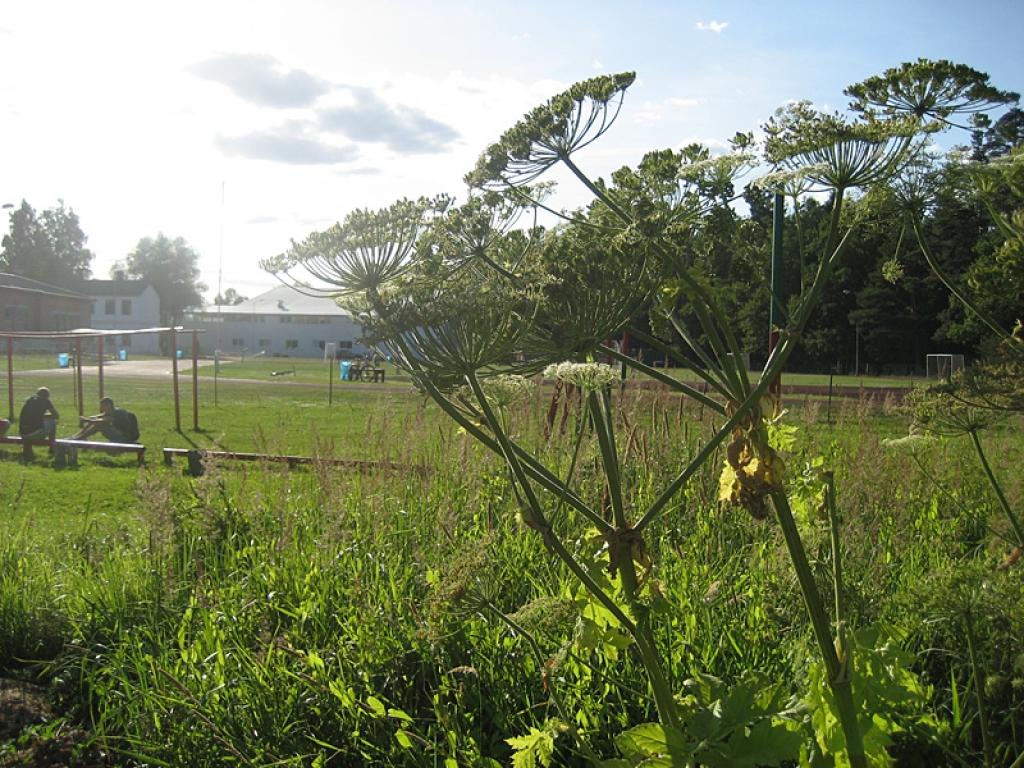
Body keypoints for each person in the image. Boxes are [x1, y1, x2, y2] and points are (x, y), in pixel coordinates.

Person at [73, 397, 140, 443]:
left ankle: (78, 439)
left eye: (103, 406)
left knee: (99, 425)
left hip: (126, 438)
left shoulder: (117, 413)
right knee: (95, 422)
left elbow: (103, 420)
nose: (101, 408)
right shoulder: (112, 410)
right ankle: (76, 437)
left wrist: (88, 420)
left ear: (108, 405)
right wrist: (87, 419)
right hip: (122, 435)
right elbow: (96, 417)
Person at [18, 387, 60, 460]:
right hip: (35, 433)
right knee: (52, 422)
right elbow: (56, 415)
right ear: (47, 396)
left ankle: (28, 453)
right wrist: (47, 416)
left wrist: (42, 416)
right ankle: (52, 447)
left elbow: (30, 415)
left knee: (30, 428)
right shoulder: (46, 401)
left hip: (23, 433)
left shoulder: (29, 400)